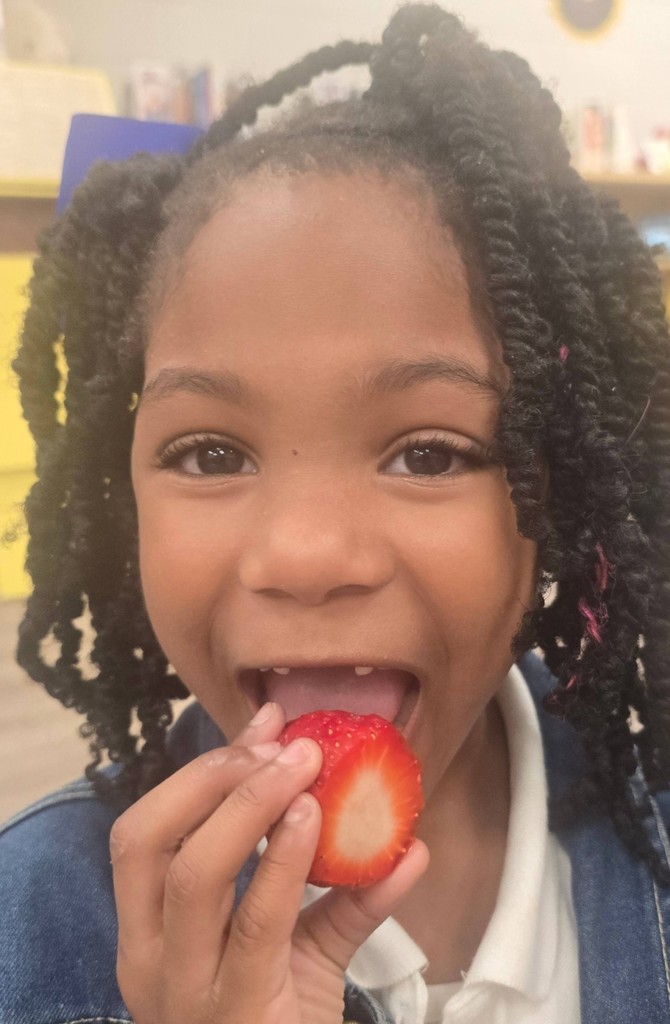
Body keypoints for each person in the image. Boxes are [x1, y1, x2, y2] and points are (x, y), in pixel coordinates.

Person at [2, 4, 670, 1022]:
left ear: (558, 495)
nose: (305, 554)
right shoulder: (33, 910)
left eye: (428, 452)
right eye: (210, 452)